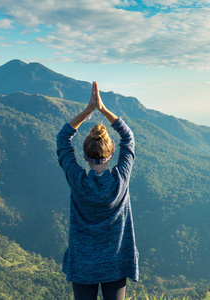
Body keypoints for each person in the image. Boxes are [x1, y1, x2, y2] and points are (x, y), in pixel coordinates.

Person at [56, 81, 138, 300]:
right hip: (116, 262)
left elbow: (63, 139)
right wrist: (102, 109)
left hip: (83, 264)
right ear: (111, 154)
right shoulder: (120, 180)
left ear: (84, 155)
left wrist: (88, 110)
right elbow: (128, 138)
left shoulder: (77, 181)